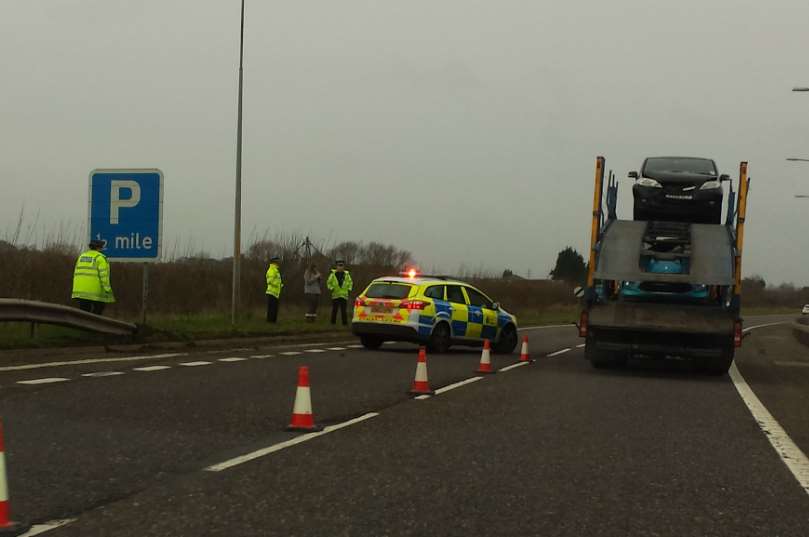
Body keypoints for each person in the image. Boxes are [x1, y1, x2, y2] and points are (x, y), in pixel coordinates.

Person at [71, 239, 115, 315]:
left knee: (84, 312)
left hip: (80, 291)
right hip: (94, 292)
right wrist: (108, 290)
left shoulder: (82, 256)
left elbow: (76, 273)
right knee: (99, 308)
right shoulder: (100, 258)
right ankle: (94, 325)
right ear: (99, 248)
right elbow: (104, 276)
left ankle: (83, 325)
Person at [326, 259, 353, 325]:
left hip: (344, 295)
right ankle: (333, 323)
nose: (340, 267)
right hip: (335, 295)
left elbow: (350, 282)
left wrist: (349, 289)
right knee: (334, 310)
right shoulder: (333, 274)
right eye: (339, 265)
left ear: (343, 267)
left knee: (343, 310)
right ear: (336, 266)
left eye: (341, 265)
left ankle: (345, 323)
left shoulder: (346, 275)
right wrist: (331, 288)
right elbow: (328, 283)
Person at [265, 255, 283, 323]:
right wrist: (277, 285)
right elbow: (270, 281)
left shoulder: (275, 270)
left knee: (274, 308)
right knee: (272, 308)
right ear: (274, 262)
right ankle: (271, 321)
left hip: (275, 292)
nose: (278, 262)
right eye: (277, 261)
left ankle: (273, 321)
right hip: (272, 292)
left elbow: (277, 280)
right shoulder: (272, 270)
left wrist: (281, 285)